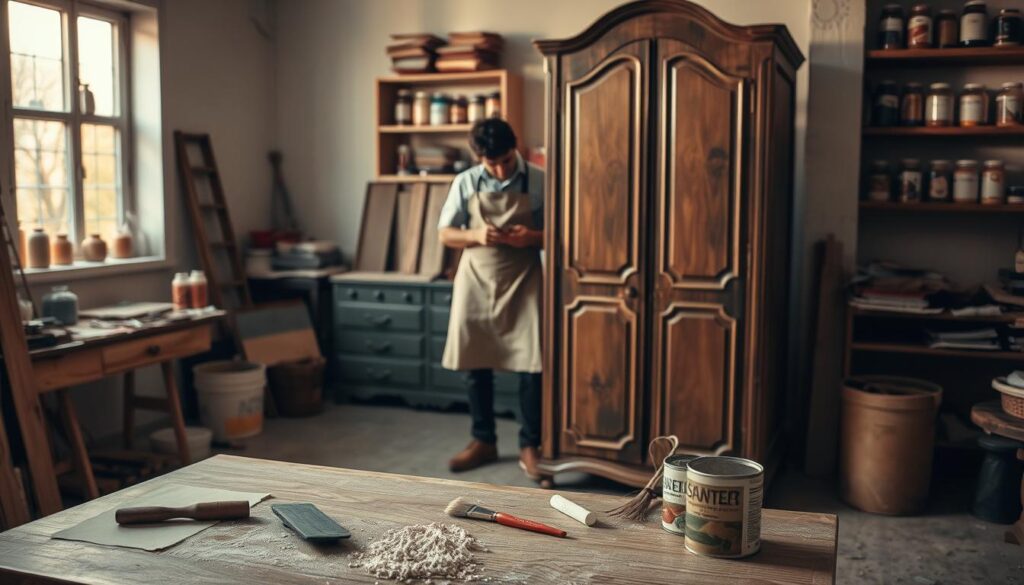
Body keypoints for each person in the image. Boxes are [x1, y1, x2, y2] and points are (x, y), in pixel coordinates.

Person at [437, 118, 545, 482]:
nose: (500, 169)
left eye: (505, 159)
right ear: (478, 158)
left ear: (516, 147)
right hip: (477, 277)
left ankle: (531, 444)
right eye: (491, 163)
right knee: (474, 359)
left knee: (533, 362)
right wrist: (477, 233)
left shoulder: (540, 179)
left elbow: (564, 232)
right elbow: (446, 234)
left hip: (524, 277)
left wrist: (531, 236)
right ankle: (483, 440)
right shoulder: (465, 182)